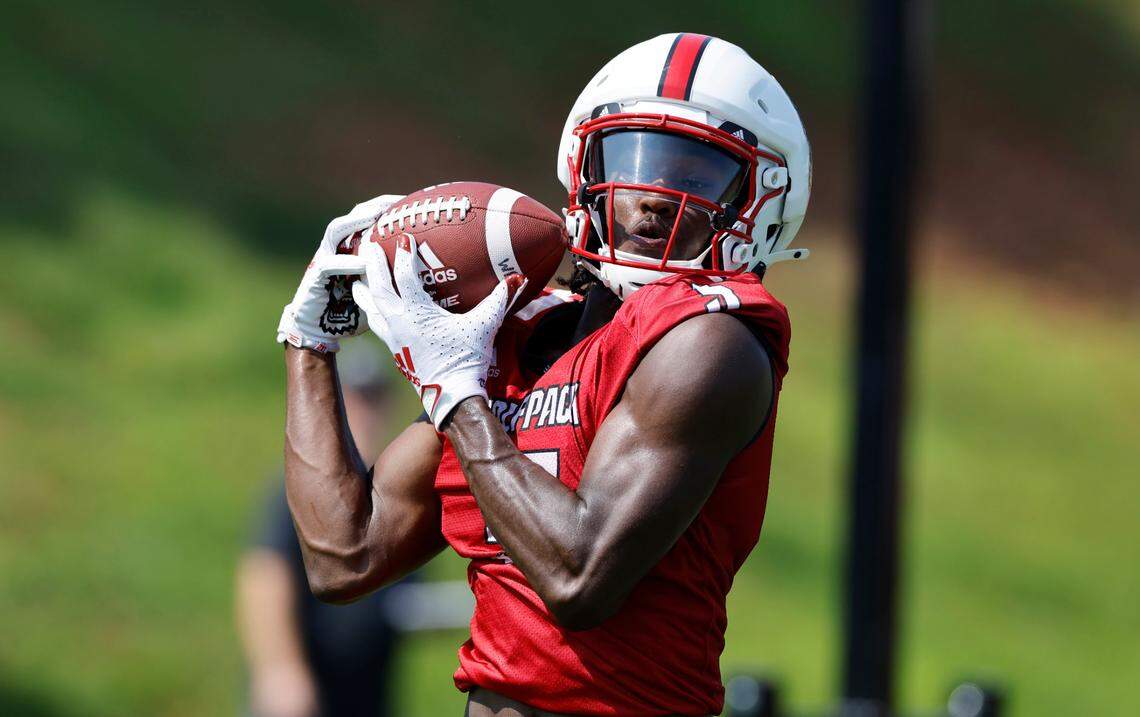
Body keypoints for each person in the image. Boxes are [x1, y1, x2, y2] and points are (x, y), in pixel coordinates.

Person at [275, 33, 811, 717]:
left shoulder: (711, 343)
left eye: (694, 174)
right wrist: (307, 338)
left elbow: (579, 576)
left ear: (760, 200)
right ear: (582, 165)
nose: (651, 194)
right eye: (634, 158)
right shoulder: (521, 334)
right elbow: (345, 554)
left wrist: (456, 393)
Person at [235, 339, 404, 717]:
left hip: (366, 694)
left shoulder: (397, 490)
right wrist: (280, 670)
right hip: (304, 695)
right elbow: (265, 576)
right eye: (355, 398)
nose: (366, 410)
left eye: (375, 396)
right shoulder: (300, 487)